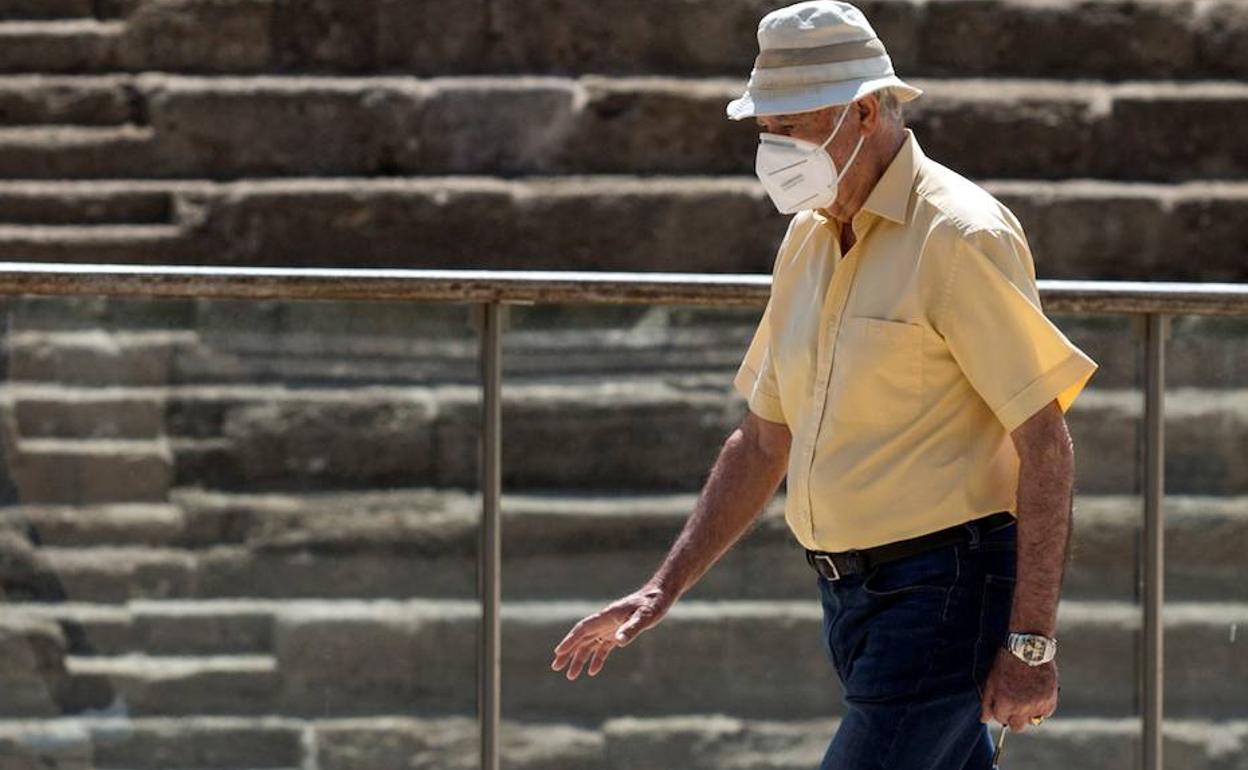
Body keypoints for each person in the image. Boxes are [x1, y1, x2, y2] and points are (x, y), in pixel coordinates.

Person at [550, 2, 1099, 767]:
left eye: (793, 126)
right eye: (764, 130)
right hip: (849, 602)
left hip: (945, 593)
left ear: (865, 112)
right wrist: (661, 589)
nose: (773, 148)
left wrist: (1032, 640)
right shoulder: (806, 238)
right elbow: (764, 435)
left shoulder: (960, 234)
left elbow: (1045, 442)